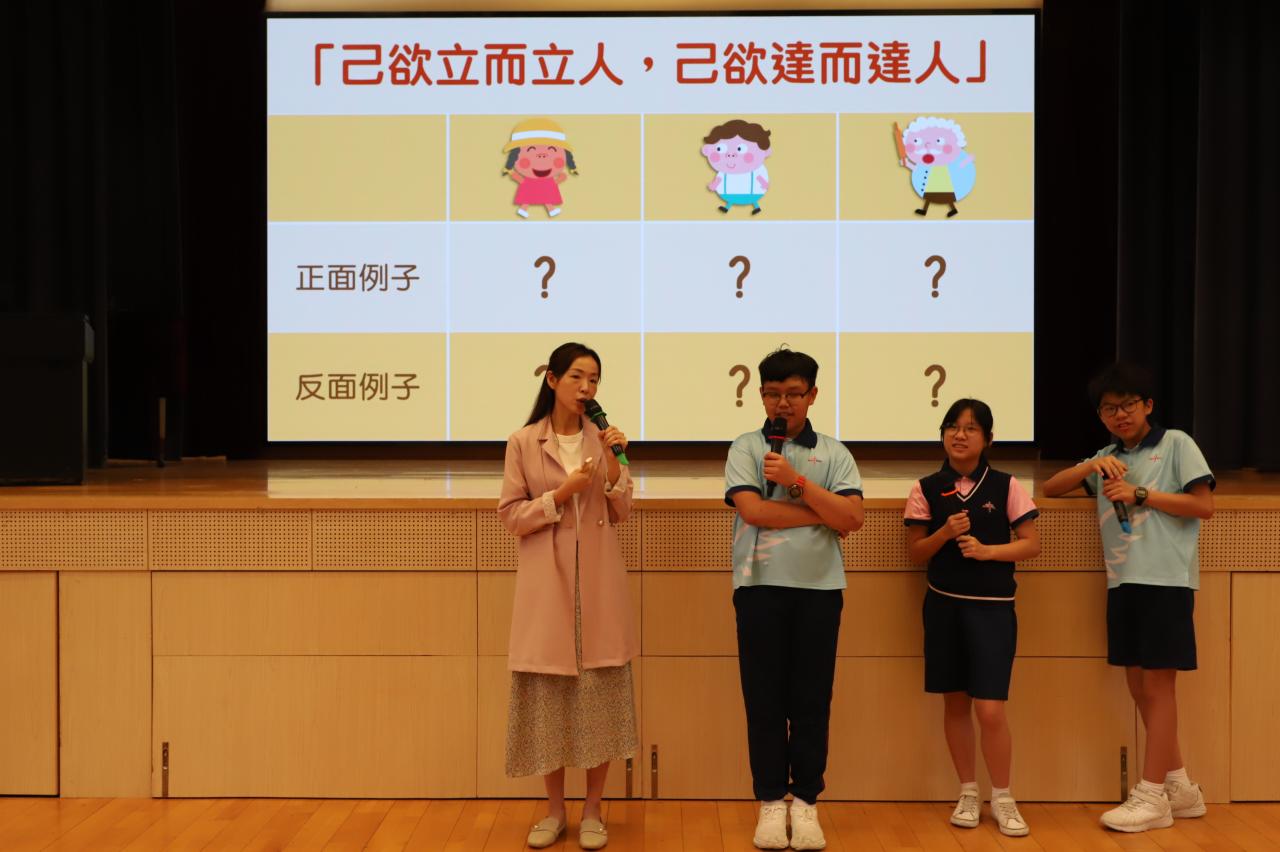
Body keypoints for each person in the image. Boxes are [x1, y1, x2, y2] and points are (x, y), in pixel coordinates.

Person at [1044, 362, 1214, 833]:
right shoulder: (1107, 457)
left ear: (1148, 406)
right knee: (1139, 688)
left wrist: (1142, 493)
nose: (1119, 415)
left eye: (1128, 405)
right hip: (1122, 581)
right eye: (1108, 409)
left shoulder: (1176, 443)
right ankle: (1180, 787)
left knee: (1159, 689)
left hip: (1165, 580)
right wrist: (1089, 466)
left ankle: (1152, 795)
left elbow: (1204, 505)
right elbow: (1051, 487)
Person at [498, 342, 637, 850]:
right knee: (548, 704)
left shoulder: (604, 439)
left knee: (601, 700)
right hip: (547, 589)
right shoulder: (523, 441)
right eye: (577, 377)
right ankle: (555, 811)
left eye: (594, 379)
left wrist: (616, 462)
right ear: (552, 379)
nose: (587, 387)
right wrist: (560, 495)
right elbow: (511, 516)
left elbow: (622, 510)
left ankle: (593, 810)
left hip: (598, 587)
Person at [724, 347, 864, 850]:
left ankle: (805, 804)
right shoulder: (746, 447)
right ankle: (769, 802)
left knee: (811, 701)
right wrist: (824, 511)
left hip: (820, 590)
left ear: (812, 395)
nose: (782, 403)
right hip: (758, 586)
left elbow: (854, 518)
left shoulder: (835, 452)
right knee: (763, 700)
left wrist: (796, 483)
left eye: (793, 393)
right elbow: (755, 512)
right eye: (772, 394)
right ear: (761, 396)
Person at [903, 399, 1040, 837]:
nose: (959, 435)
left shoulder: (1006, 485)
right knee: (955, 704)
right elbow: (916, 552)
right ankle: (967, 792)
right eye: (952, 427)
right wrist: (945, 533)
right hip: (944, 606)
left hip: (993, 609)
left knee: (991, 709)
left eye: (970, 428)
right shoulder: (926, 487)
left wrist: (987, 551)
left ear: (988, 439)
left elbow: (1031, 543)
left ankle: (1003, 796)